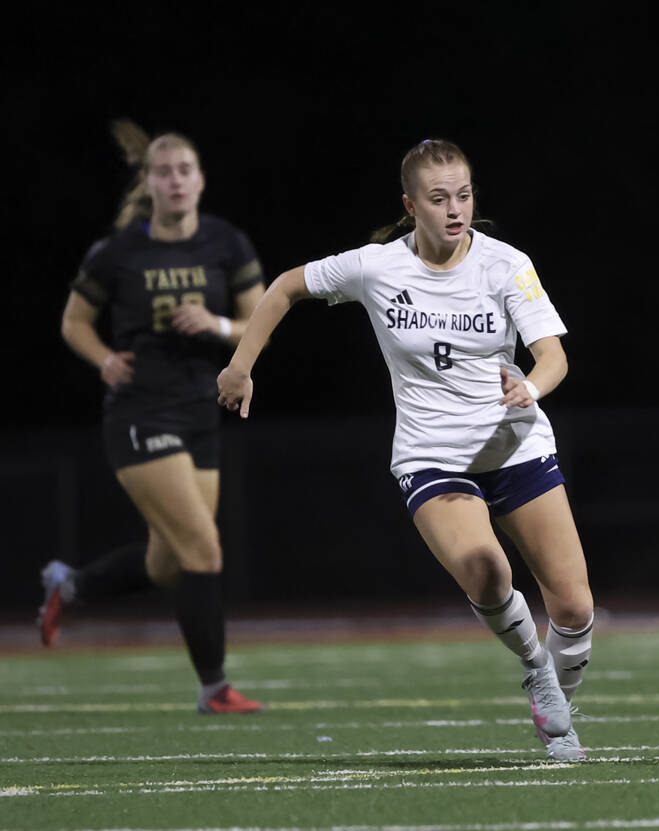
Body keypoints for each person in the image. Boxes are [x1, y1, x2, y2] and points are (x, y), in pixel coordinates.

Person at [215, 139, 594, 762]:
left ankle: (560, 706)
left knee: (575, 607)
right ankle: (538, 673)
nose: (455, 209)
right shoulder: (377, 267)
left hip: (515, 445)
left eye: (464, 196)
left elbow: (553, 356)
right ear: (410, 205)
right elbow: (285, 287)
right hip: (431, 455)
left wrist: (529, 386)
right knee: (487, 570)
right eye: (439, 198)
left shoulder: (505, 264)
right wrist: (240, 365)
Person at [43, 119, 265, 714]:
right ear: (149, 183)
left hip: (201, 412)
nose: (175, 181)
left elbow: (258, 322)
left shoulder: (226, 242)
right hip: (140, 413)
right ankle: (214, 689)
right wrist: (102, 359)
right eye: (163, 172)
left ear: (201, 180)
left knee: (166, 563)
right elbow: (73, 322)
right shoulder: (118, 251)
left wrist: (216, 324)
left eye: (184, 170)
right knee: (203, 550)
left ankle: (73, 585)